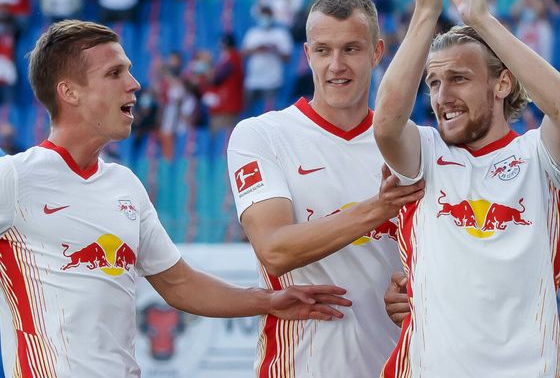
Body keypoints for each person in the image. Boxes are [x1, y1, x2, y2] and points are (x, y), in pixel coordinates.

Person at [0, 20, 351, 377]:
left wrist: (268, 301)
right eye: (114, 73)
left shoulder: (124, 184)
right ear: (70, 92)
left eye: (129, 71)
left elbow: (179, 283)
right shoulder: (14, 178)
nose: (134, 84)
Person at [374, 0, 560, 375]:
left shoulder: (539, 158)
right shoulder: (427, 154)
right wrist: (425, 12)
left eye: (459, 78)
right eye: (433, 82)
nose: (442, 96)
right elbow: (387, 124)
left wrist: (482, 21)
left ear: (503, 82)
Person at [226, 0, 425, 377]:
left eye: (351, 49)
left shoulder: (413, 143)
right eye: (323, 50)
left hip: (400, 365)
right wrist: (377, 210)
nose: (336, 65)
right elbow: (274, 250)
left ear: (377, 51)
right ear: (306, 54)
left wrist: (415, 294)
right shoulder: (262, 135)